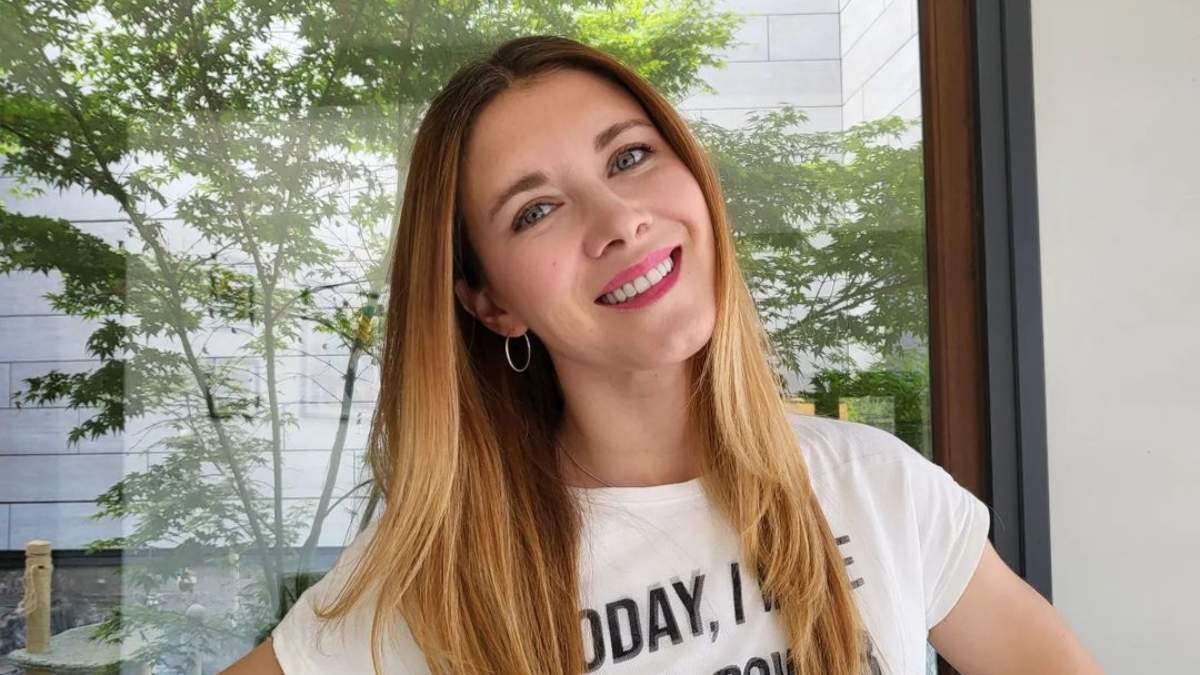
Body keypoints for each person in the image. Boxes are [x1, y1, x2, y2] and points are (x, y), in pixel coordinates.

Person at [223, 35, 1102, 675]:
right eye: (535, 210)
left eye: (630, 157)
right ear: (492, 303)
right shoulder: (446, 575)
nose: (619, 220)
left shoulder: (876, 488)